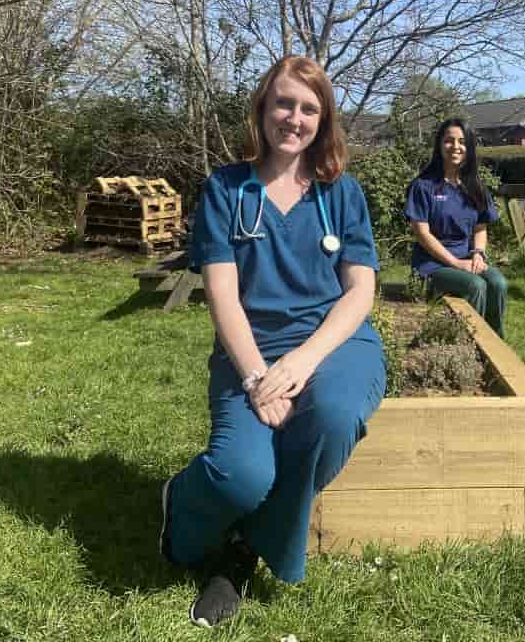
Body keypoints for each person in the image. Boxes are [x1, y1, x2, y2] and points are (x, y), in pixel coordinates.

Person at [159, 56, 386, 627]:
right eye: (284, 103)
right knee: (241, 475)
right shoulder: (226, 190)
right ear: (262, 108)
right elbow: (222, 296)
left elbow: (360, 290)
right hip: (249, 350)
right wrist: (260, 377)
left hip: (335, 343)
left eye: (309, 108)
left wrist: (304, 362)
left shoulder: (341, 194)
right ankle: (183, 504)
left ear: (324, 121)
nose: (294, 118)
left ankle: (238, 553)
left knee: (333, 416)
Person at [405, 118, 508, 337]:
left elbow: (480, 228)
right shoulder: (423, 186)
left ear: (469, 147)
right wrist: (455, 263)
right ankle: (469, 344)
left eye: (462, 141)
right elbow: (422, 234)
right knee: (475, 286)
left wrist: (478, 254)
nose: (456, 146)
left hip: (467, 260)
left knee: (498, 283)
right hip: (432, 267)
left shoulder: (475, 187)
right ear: (439, 145)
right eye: (449, 141)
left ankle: (497, 342)